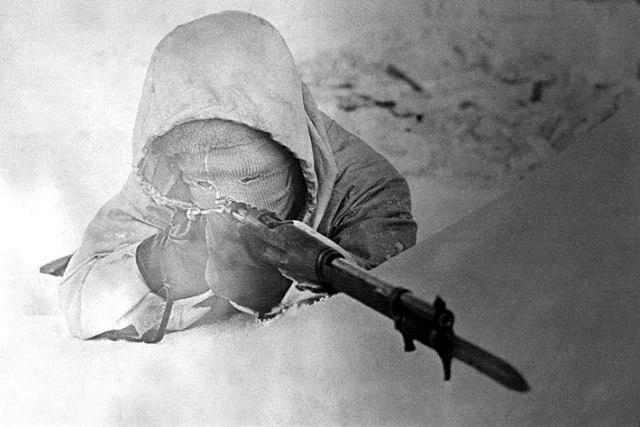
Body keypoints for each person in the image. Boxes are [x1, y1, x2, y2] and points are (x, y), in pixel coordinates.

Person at [59, 11, 416, 341]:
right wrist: (154, 264)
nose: (222, 199)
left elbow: (378, 335)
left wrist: (281, 292)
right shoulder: (163, 183)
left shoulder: (365, 190)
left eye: (249, 177)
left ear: (292, 154)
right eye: (201, 182)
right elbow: (78, 304)